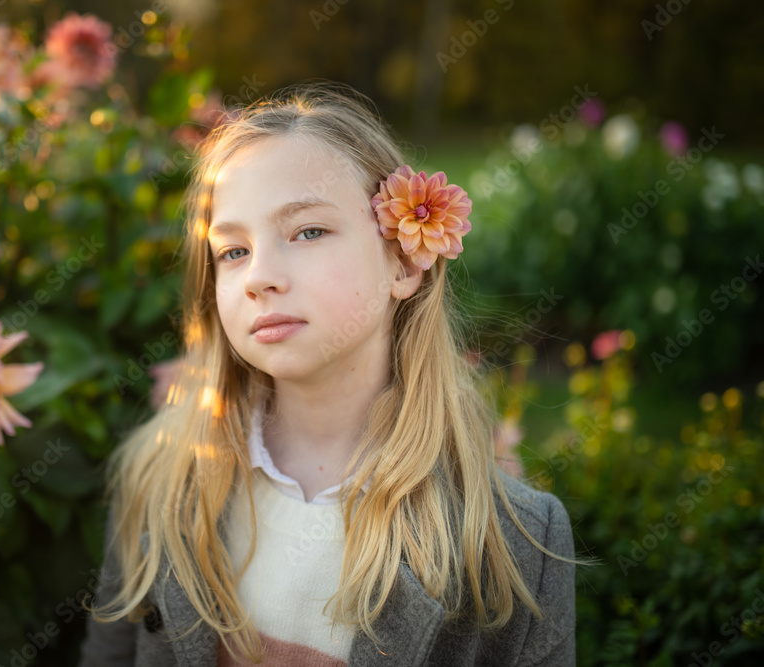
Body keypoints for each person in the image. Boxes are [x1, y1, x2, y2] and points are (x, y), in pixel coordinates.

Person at [78, 81, 582, 666]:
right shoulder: (160, 478)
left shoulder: (511, 540)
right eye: (233, 250)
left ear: (402, 263)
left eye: (307, 231)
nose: (258, 275)